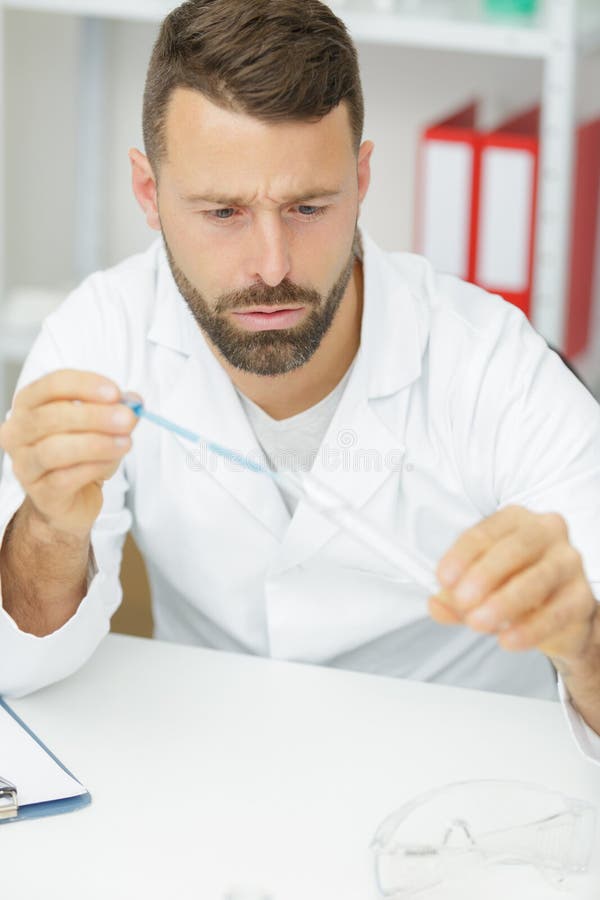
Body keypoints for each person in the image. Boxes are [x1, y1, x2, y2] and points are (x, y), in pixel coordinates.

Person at [0, 0, 599, 760]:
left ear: (362, 177)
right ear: (148, 193)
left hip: (462, 794)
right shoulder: (100, 334)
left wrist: (583, 638)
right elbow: (18, 661)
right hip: (217, 773)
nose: (272, 265)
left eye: (309, 207)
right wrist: (51, 526)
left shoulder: (489, 361)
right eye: (222, 212)